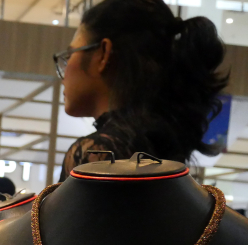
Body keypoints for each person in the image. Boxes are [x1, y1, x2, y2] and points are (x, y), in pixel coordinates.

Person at [55, 0, 227, 180]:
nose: (64, 73)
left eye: (69, 55)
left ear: (103, 54)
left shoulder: (95, 153)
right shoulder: (159, 145)